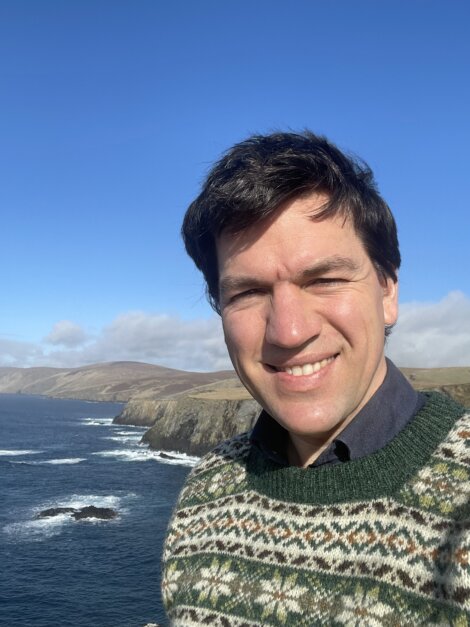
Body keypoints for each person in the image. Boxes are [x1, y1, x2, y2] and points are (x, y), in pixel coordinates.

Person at [162, 131, 470, 625]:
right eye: (248, 292)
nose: (289, 330)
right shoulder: (208, 487)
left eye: (324, 280)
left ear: (387, 290)